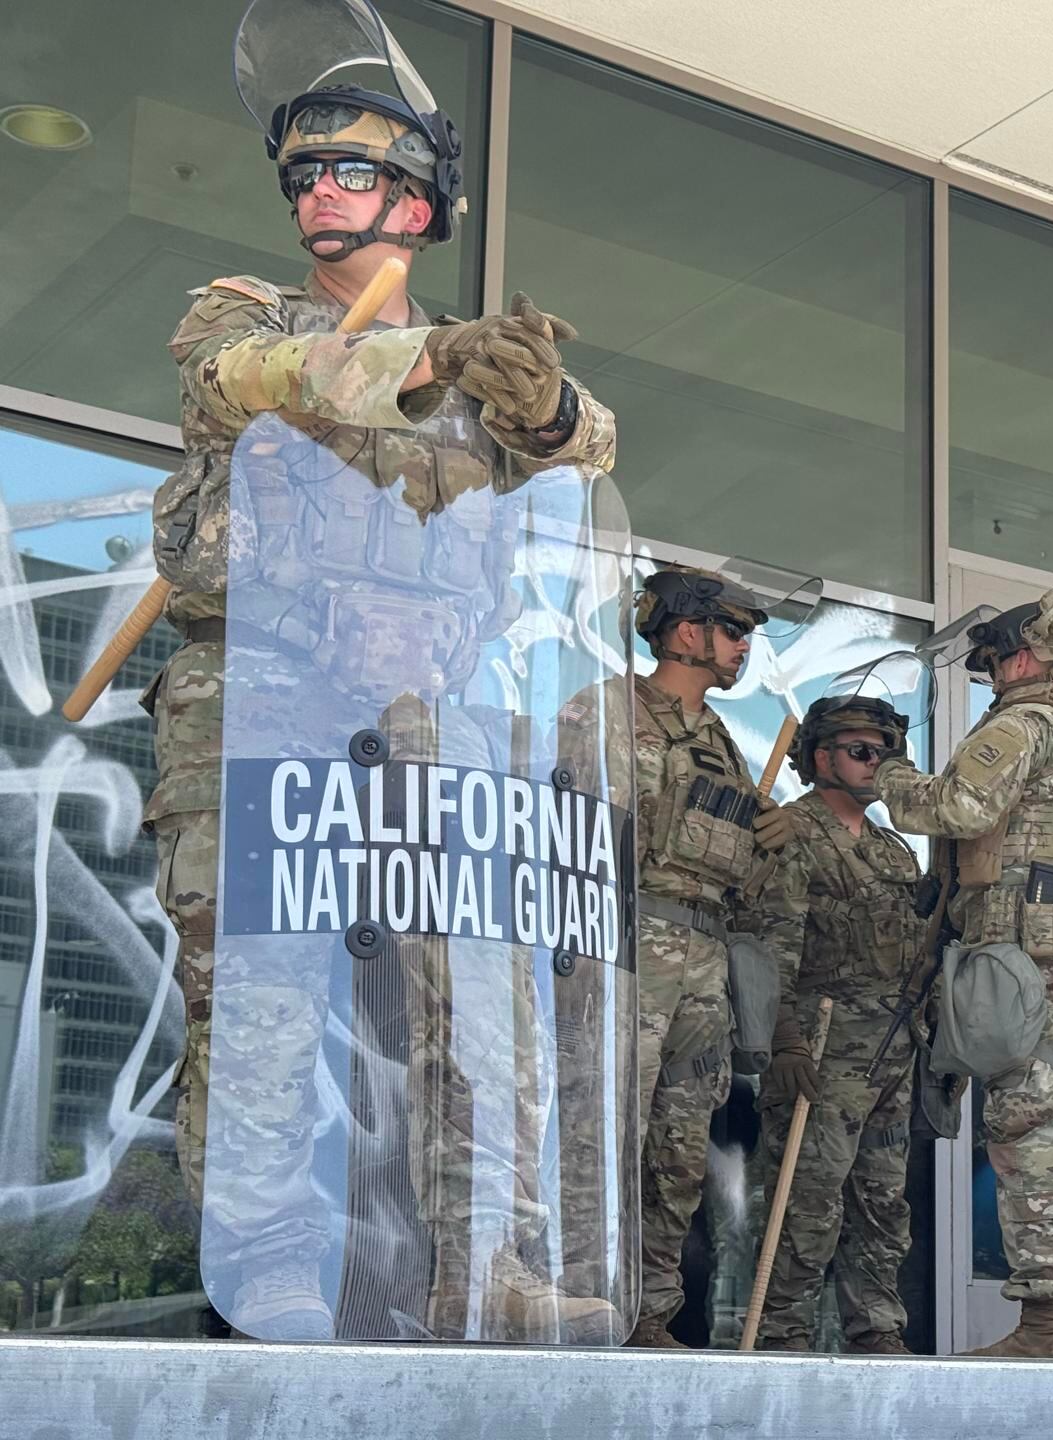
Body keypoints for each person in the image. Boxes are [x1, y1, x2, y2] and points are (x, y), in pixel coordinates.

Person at [145, 45, 614, 1340]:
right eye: (301, 172)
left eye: (349, 170)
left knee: (479, 999)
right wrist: (428, 358)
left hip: (432, 720)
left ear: (415, 203)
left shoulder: (470, 365)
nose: (314, 194)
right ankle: (270, 1271)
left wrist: (547, 403)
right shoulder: (244, 314)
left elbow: (593, 449)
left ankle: (487, 1268)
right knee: (264, 993)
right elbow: (241, 384)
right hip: (274, 695)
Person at [870, 586, 1053, 1360]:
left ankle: (1041, 1327)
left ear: (1026, 655)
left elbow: (961, 806)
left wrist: (893, 780)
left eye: (995, 660)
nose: (992, 675)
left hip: (1024, 968)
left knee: (1030, 1134)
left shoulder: (1027, 721)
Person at [564, 564, 782, 1347]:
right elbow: (567, 838)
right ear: (686, 631)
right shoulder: (608, 712)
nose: (742, 649)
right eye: (732, 631)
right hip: (625, 951)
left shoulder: (722, 743)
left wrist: (766, 844)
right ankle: (588, 1304)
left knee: (681, 1149)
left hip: (701, 960)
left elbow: (736, 874)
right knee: (602, 1138)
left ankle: (649, 1310)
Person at [749, 695, 925, 1354]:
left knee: (883, 1204)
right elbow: (771, 941)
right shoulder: (791, 834)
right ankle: (782, 1335)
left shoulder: (895, 852)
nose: (876, 763)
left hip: (889, 1051)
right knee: (807, 1202)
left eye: (885, 753)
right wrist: (785, 1037)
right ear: (820, 758)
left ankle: (877, 1331)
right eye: (860, 750)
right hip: (822, 1046)